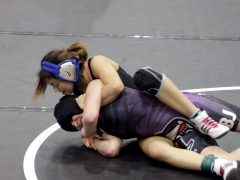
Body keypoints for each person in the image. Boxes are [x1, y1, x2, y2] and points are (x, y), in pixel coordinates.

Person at [53, 84, 240, 180]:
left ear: (77, 106)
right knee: (228, 162)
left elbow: (89, 116)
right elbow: (113, 148)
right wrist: (95, 142)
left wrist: (87, 130)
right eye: (73, 127)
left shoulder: (96, 90)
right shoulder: (97, 127)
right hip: (167, 130)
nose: (77, 125)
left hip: (185, 107)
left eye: (73, 119)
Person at [33, 41, 229, 139]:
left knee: (145, 78)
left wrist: (89, 110)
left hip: (157, 104)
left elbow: (116, 87)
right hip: (144, 123)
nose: (56, 90)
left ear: (66, 73)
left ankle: (197, 115)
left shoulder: (96, 63)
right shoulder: (78, 93)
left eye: (54, 84)